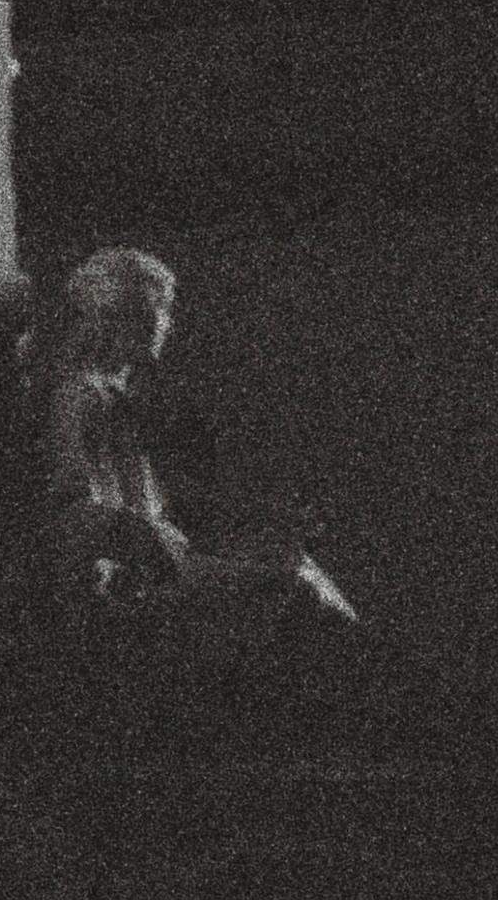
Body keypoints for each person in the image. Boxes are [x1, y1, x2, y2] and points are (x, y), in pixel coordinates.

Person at [31, 247, 358, 646]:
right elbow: (71, 509)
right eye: (161, 308)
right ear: (126, 312)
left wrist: (259, 514)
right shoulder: (80, 396)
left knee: (293, 565)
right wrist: (139, 531)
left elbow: (161, 499)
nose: (168, 322)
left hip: (162, 560)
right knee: (292, 587)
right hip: (129, 579)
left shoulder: (114, 395)